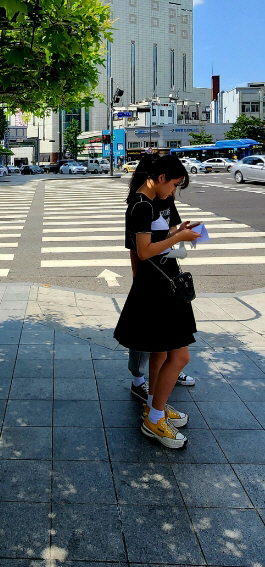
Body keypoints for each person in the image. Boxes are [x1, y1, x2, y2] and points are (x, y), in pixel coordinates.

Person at [114, 153, 201, 448]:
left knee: (163, 353)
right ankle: (154, 419)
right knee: (180, 355)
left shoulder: (151, 202)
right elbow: (144, 251)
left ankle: (155, 406)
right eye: (174, 185)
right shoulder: (141, 205)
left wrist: (178, 231)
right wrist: (177, 238)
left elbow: (154, 242)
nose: (173, 192)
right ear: (161, 178)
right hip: (157, 288)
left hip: (162, 284)